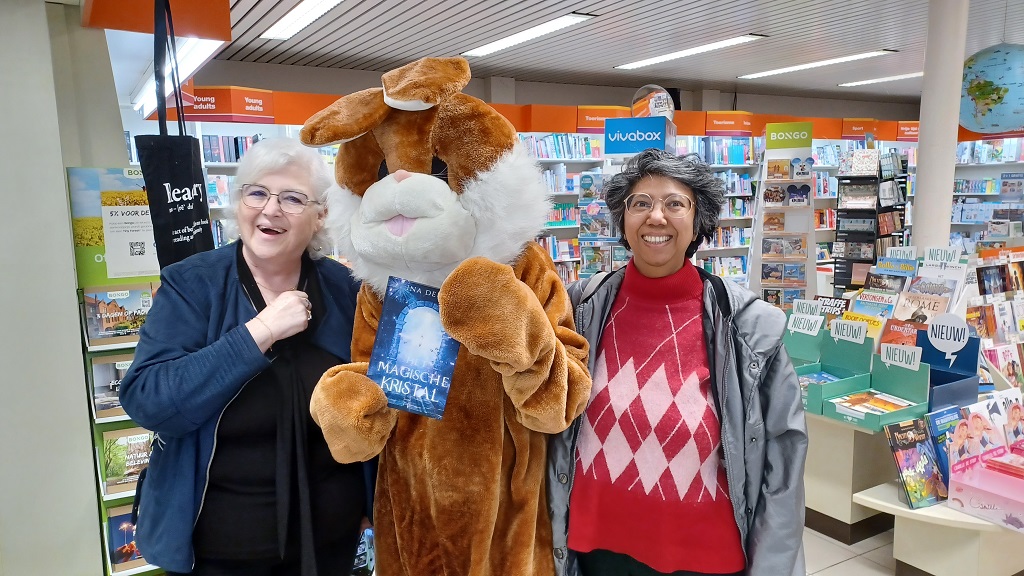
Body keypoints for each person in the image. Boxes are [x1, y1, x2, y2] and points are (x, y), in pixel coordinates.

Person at [548, 149, 808, 576]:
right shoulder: (580, 308)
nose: (656, 217)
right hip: (596, 549)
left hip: (702, 556)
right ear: (622, 218)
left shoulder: (748, 327)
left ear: (698, 220)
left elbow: (784, 462)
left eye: (674, 203)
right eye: (641, 203)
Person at [119, 138, 370, 576]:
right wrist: (260, 332)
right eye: (257, 193)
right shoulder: (192, 285)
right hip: (220, 551)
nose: (270, 210)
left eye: (292, 198)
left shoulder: (347, 290)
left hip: (331, 543)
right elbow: (148, 399)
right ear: (238, 204)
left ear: (320, 216)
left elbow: (376, 399)